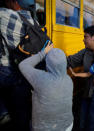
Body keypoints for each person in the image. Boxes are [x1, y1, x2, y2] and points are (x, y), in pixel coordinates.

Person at [19, 43, 73, 131]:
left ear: (48, 63)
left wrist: (43, 53)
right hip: (67, 125)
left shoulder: (41, 79)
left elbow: (23, 65)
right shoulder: (68, 80)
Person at [0, 0, 35, 130]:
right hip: (26, 69)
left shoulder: (3, 15)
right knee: (22, 110)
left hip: (7, 69)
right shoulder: (31, 20)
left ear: (13, 2)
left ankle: (3, 112)